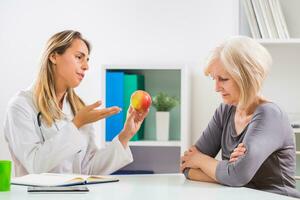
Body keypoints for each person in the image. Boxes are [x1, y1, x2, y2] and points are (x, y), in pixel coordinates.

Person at [4, 30, 148, 177]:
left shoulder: (77, 108)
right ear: (53, 56)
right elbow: (35, 165)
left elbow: (88, 170)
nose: (86, 66)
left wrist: (125, 135)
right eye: (79, 57)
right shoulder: (21, 106)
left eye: (87, 60)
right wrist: (76, 124)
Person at [180, 36, 300, 198]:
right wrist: (230, 173)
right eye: (214, 79)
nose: (216, 88)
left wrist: (201, 161)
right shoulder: (225, 111)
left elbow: (237, 176)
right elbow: (186, 165)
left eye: (223, 79)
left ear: (247, 76)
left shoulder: (270, 115)